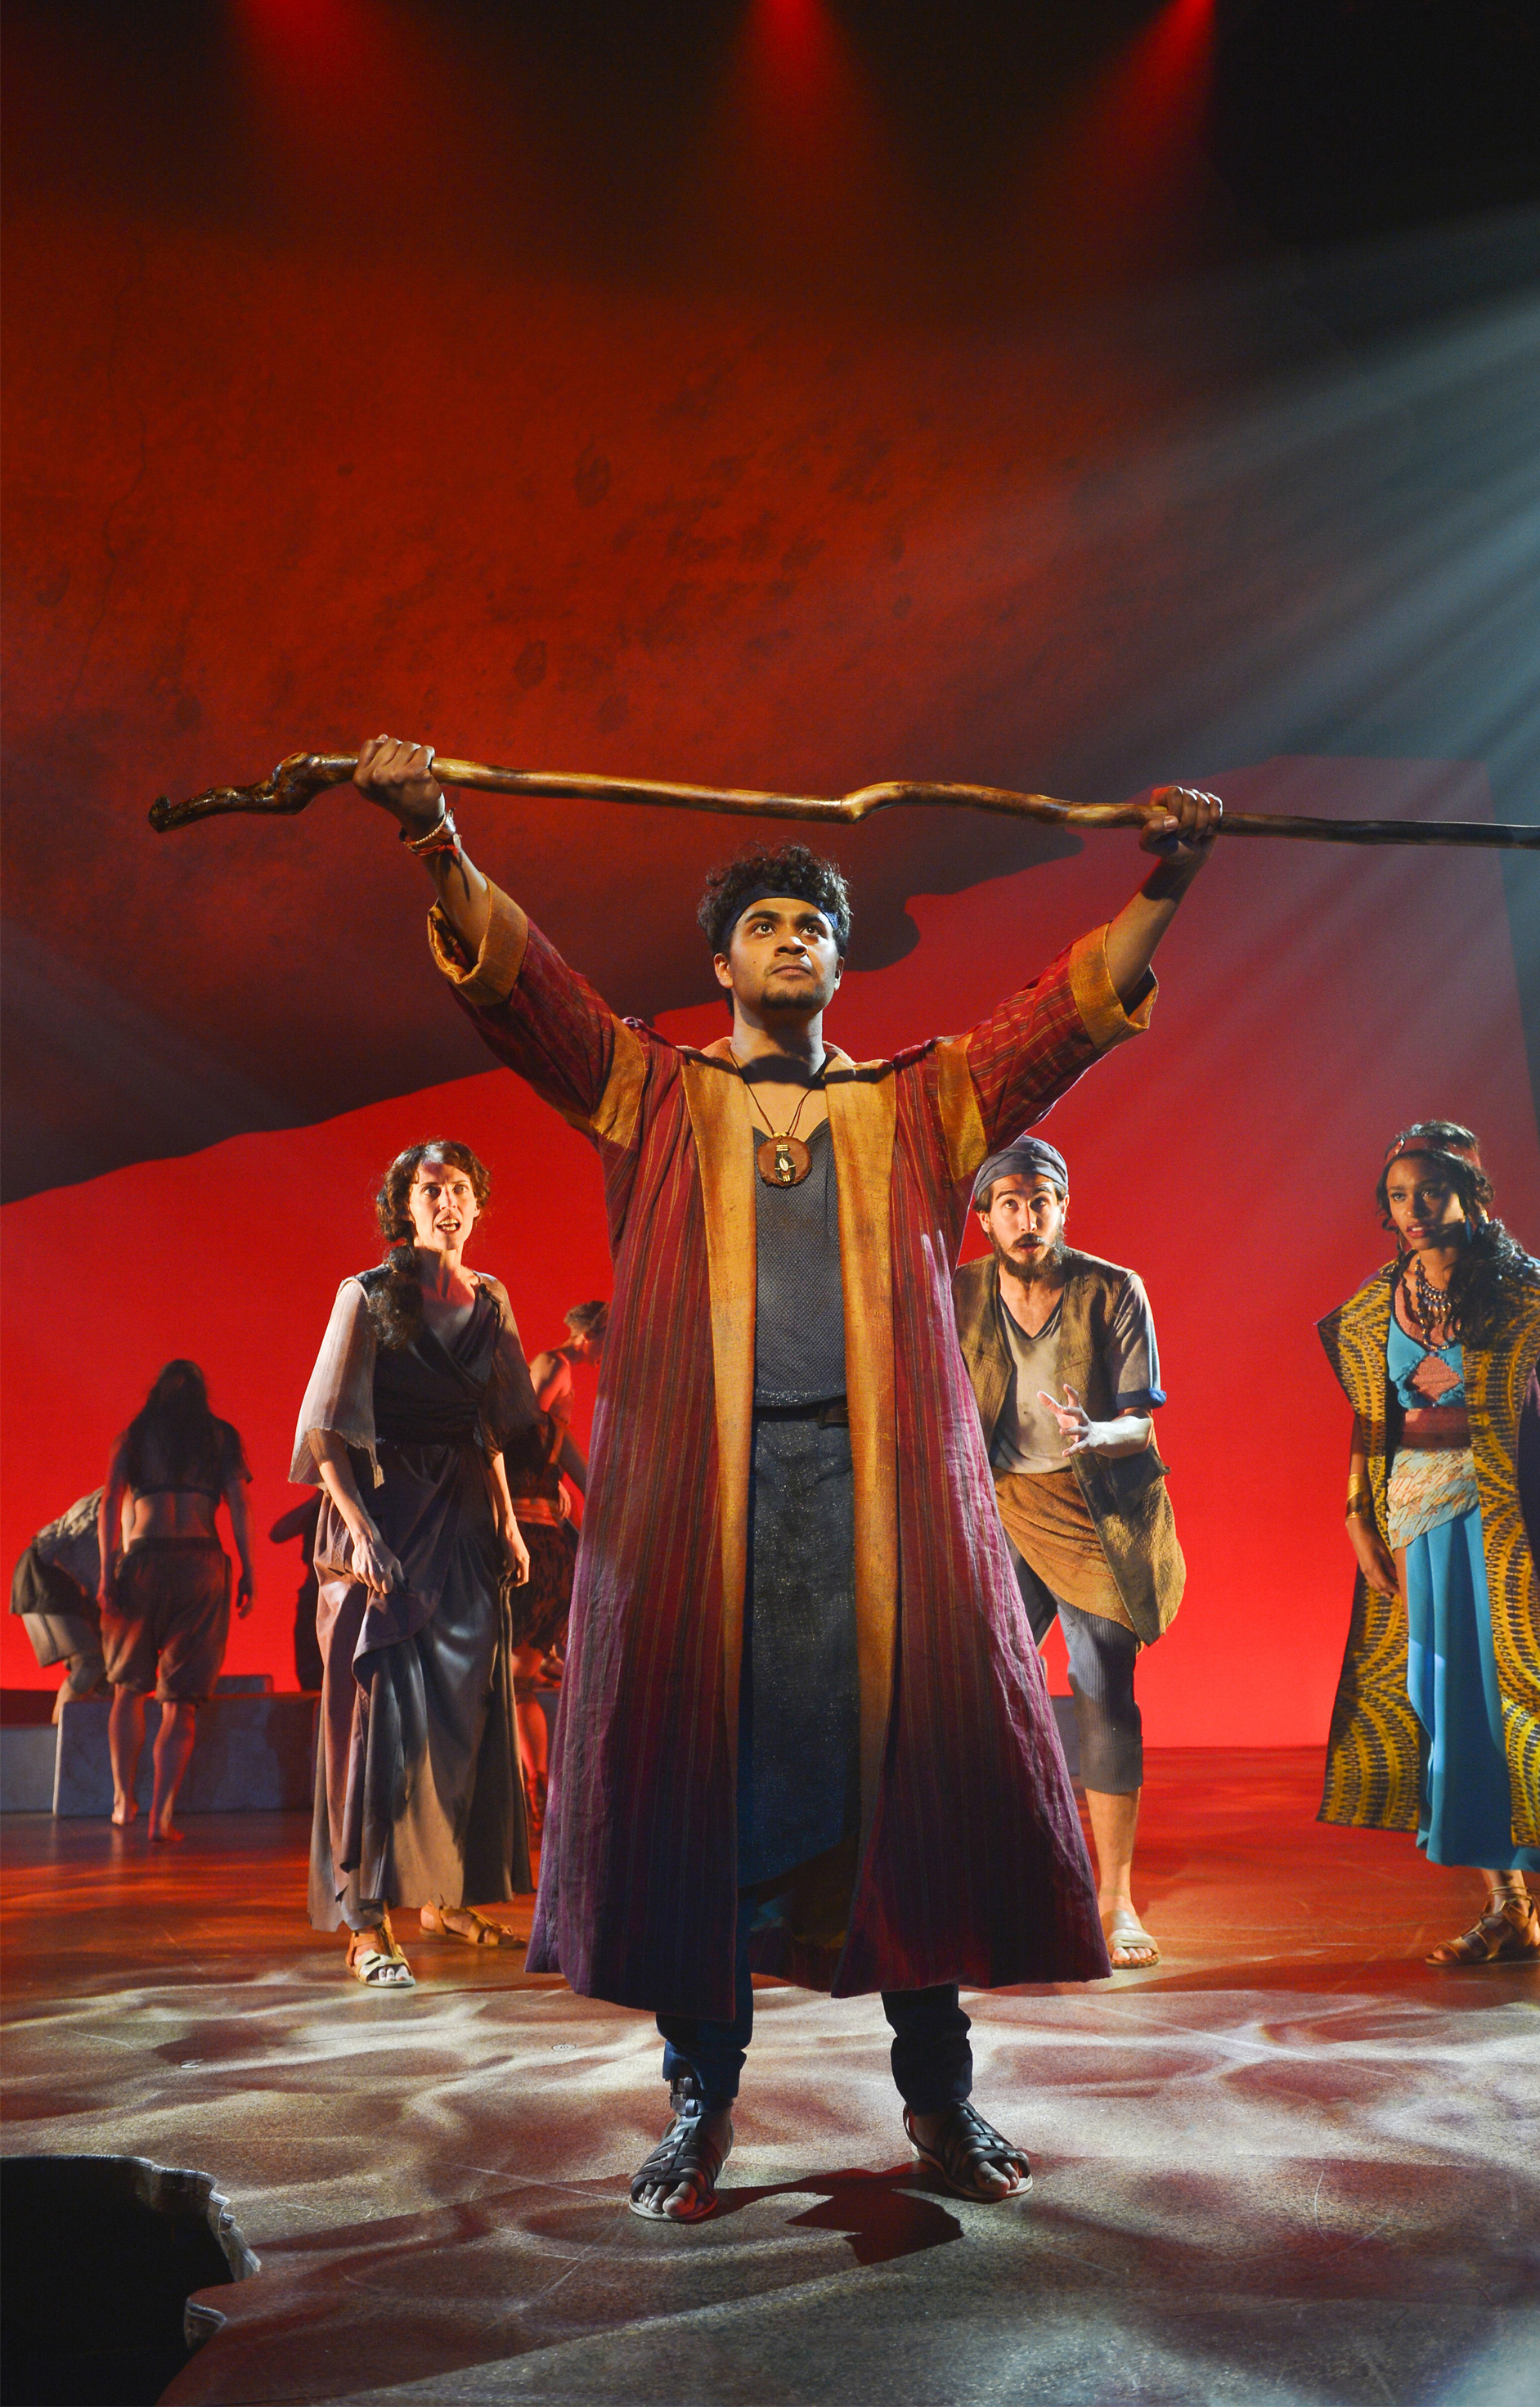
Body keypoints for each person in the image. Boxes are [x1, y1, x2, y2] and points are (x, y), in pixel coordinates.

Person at [351, 730, 1218, 2216]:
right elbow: (525, 986)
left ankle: (938, 2098)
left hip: (881, 1512)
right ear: (723, 962)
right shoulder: (652, 1093)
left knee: (909, 1795)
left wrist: (1170, 878)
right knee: (709, 1802)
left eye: (813, 923)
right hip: (710, 1518)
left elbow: (1058, 1020)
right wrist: (434, 832)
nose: (793, 939)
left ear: (838, 962)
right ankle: (700, 2107)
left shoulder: (915, 1105)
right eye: (763, 924)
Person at [1319, 1120, 1540, 1965]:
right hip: (1422, 1521)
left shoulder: (1519, 1287)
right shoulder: (1378, 1303)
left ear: (1469, 1196)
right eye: (1398, 1196)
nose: (1413, 1208)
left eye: (1429, 1191)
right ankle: (1508, 1908)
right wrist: (1356, 1516)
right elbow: (1369, 1413)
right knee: (1453, 1705)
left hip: (1519, 1517)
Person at [294, 1138, 538, 1988]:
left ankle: (446, 1895)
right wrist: (359, 1529)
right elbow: (325, 1430)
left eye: (459, 1188)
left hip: (464, 1521)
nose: (447, 1203)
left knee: (462, 1719)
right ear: (404, 1205)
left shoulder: (491, 1299)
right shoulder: (365, 1294)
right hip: (385, 1520)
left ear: (477, 1203)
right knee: (381, 1726)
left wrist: (508, 1521)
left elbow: (490, 1426)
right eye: (430, 1190)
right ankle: (367, 1924)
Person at [954, 1137, 1183, 1970]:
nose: (1028, 1218)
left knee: (1103, 1688)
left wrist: (1095, 1432)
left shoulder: (1112, 1288)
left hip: (1094, 1513)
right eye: (1010, 1204)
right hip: (997, 1510)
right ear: (984, 1218)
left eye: (1041, 1201)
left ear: (1062, 1208)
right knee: (975, 1693)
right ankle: (998, 1884)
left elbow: (1140, 1424)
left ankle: (1114, 1898)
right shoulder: (957, 1293)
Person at [97, 1362, 255, 1840]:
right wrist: (249, 1569)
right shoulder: (220, 1437)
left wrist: (106, 1573)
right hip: (201, 1566)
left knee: (128, 1689)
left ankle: (123, 1801)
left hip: (144, 1563)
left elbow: (110, 1503)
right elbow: (241, 1504)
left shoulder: (133, 1436)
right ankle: (161, 1816)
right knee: (181, 1703)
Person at [508, 1303, 607, 1822]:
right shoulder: (555, 1364)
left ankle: (534, 1789)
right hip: (533, 1539)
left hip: (538, 1538)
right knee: (517, 1678)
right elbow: (517, 1429)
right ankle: (533, 1787)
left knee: (516, 1679)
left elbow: (573, 1465)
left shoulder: (555, 1385)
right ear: (591, 1335)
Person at [11, 1491, 114, 1713]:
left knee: (110, 1673)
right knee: (90, 1665)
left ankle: (96, 1732)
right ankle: (58, 1732)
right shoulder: (121, 1498)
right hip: (46, 1571)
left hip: (72, 1582)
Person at [269, 1492, 324, 1692]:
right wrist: (318, 1498)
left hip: (344, 1594)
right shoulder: (318, 1508)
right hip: (313, 1595)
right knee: (309, 1672)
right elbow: (278, 1533)